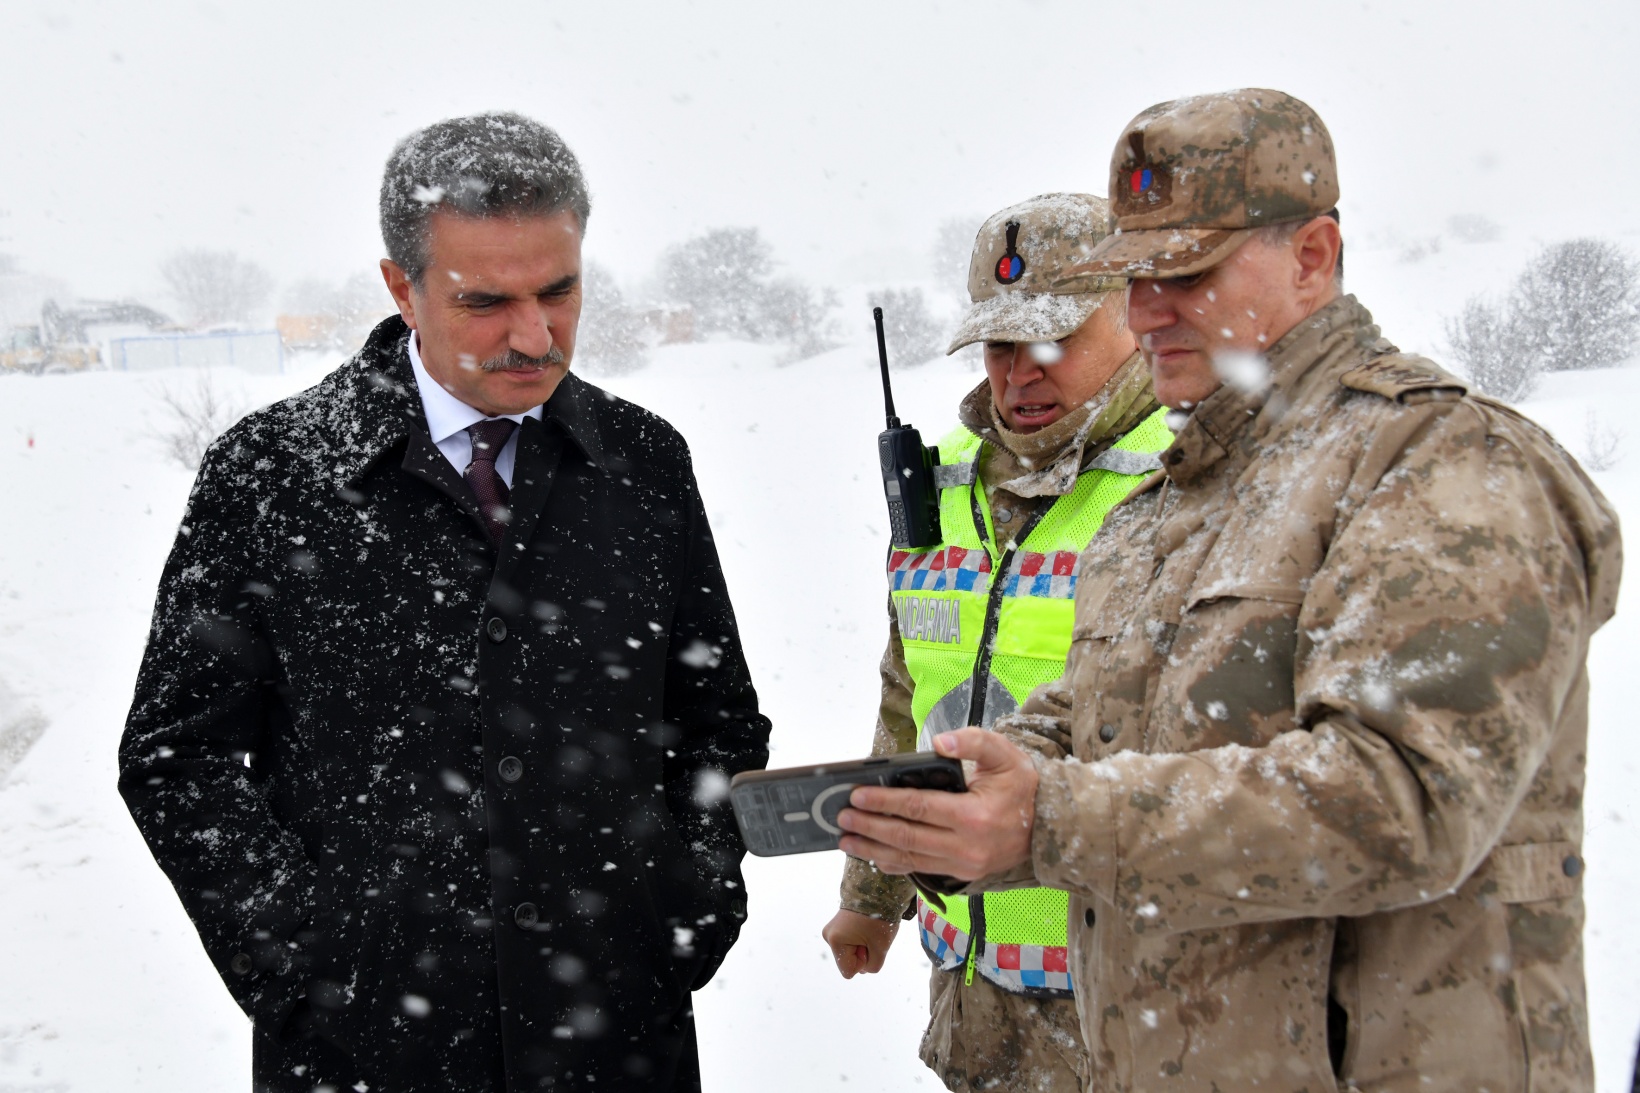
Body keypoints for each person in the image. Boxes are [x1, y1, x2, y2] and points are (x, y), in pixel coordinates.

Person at [835, 88, 1621, 1092]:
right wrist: (993, 774)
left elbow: (1403, 801)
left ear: (1311, 256)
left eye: (1187, 271)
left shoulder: (1439, 465)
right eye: (1132, 277)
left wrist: (1052, 818)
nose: (1148, 310)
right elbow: (1099, 726)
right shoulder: (1170, 501)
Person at [118, 112, 771, 1093]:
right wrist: (301, 963)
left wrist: (689, 900)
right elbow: (176, 753)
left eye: (559, 290)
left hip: (615, 1036)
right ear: (400, 286)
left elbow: (712, 716)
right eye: (485, 300)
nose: (533, 334)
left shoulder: (642, 464)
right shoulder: (273, 472)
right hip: (367, 1052)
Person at [821, 193, 1171, 1092]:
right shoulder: (939, 490)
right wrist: (873, 893)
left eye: (1053, 338)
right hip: (974, 987)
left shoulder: (1186, 482)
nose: (1020, 371)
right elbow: (910, 693)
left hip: (1137, 997)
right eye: (1001, 344)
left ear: (1135, 311)